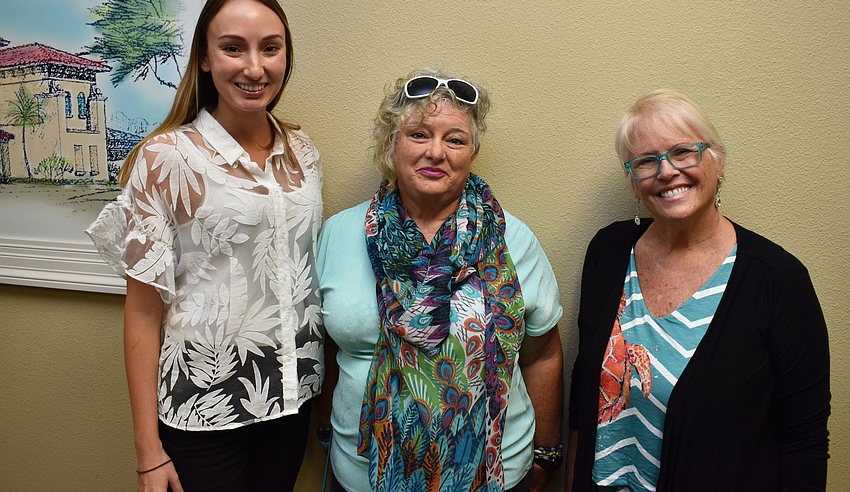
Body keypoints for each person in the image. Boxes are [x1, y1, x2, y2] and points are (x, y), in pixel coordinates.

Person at [86, 0, 323, 492]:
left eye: (270, 48)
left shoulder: (302, 153)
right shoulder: (167, 158)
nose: (255, 68)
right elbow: (143, 311)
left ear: (287, 57)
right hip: (204, 408)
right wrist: (148, 453)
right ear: (205, 59)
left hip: (291, 398)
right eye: (233, 48)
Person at [565, 89, 830, 491]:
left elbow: (803, 441)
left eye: (684, 152)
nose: (667, 171)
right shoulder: (608, 252)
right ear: (633, 183)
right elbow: (585, 392)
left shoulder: (778, 280)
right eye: (646, 162)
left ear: (718, 160)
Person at [315, 68, 564, 491]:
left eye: (455, 139)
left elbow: (542, 353)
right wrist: (326, 432)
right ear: (391, 143)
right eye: (418, 134)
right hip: (362, 476)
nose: (436, 152)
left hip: (495, 476)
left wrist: (546, 458)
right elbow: (325, 346)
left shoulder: (513, 239)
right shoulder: (338, 234)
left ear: (473, 151)